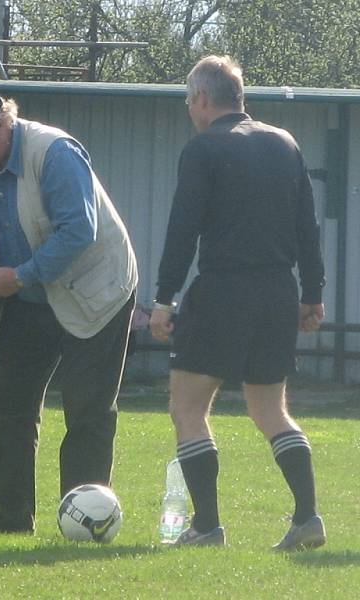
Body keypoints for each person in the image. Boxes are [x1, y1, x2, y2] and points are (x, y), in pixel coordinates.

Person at [149, 56, 327, 550]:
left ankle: (206, 526)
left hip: (223, 290)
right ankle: (307, 518)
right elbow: (306, 228)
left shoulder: (203, 148)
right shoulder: (285, 143)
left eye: (189, 101)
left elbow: (182, 230)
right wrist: (312, 293)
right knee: (270, 407)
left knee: (187, 407)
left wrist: (164, 298)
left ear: (203, 99)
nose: (190, 110)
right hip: (277, 291)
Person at [0, 86, 138, 535]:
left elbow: (78, 231)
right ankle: (9, 521)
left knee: (87, 407)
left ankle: (87, 522)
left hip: (96, 292)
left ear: (2, 124)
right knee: (7, 403)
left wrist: (22, 275)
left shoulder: (54, 152)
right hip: (28, 299)